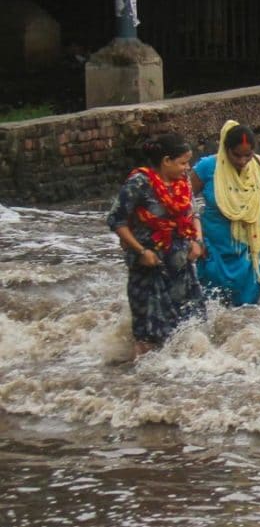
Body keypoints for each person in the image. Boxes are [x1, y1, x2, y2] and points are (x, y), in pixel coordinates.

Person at [106, 133, 207, 359]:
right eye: (182, 162)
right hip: (149, 268)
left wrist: (198, 241)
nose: (187, 167)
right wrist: (141, 251)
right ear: (166, 161)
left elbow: (193, 213)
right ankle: (143, 380)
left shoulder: (183, 182)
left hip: (181, 265)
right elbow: (116, 220)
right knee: (149, 335)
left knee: (190, 325)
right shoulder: (140, 183)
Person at [191, 120, 260, 306]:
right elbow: (184, 202)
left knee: (247, 310)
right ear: (225, 149)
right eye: (236, 155)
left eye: (248, 155)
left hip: (251, 248)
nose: (242, 161)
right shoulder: (207, 168)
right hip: (214, 249)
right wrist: (196, 239)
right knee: (211, 305)